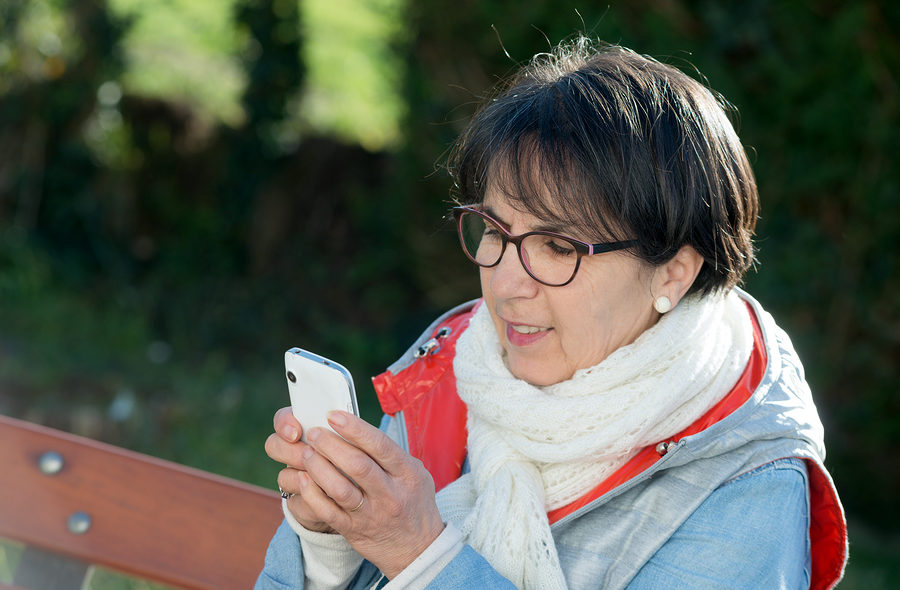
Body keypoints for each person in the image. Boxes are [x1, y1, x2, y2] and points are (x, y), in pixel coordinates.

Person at [256, 37, 848, 590]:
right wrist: (329, 543)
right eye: (495, 230)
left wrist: (421, 555)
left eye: (560, 247)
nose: (505, 285)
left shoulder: (749, 485)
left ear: (673, 273)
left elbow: (411, 553)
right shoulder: (460, 358)